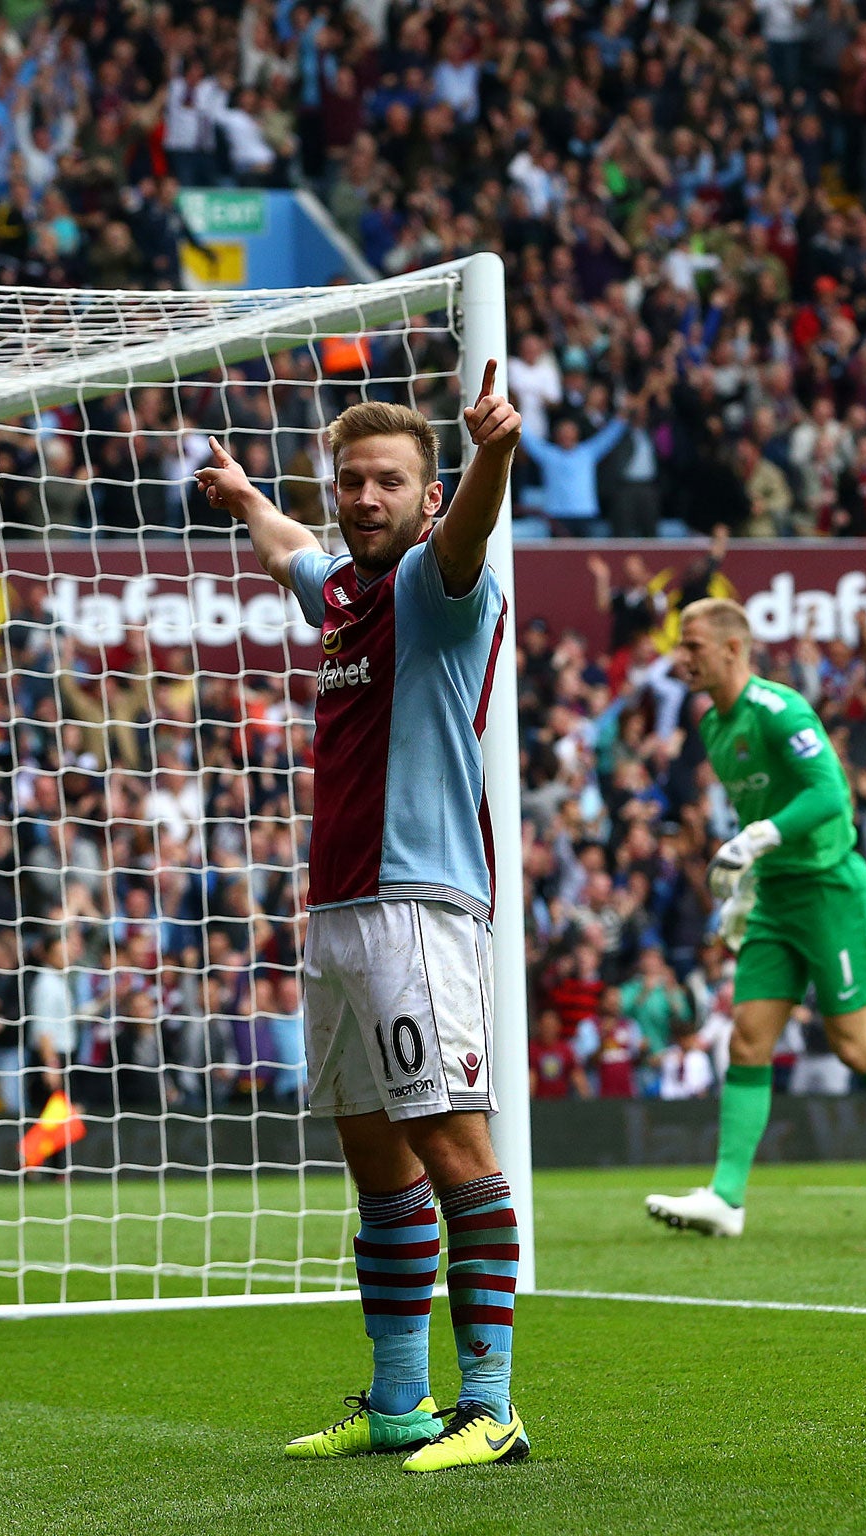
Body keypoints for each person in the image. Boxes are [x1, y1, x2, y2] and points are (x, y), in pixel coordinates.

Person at [196, 362, 529, 1470]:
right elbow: (291, 550)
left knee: (449, 1144)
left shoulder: (439, 587)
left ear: (426, 498)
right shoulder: (340, 588)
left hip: (417, 906)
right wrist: (246, 496)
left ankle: (491, 1406)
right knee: (372, 1158)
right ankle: (399, 1403)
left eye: (389, 481)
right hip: (338, 912)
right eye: (350, 482)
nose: (365, 497)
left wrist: (490, 452)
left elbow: (473, 533)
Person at [645, 598, 866, 1237]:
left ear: (732, 648)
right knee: (747, 1038)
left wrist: (757, 839)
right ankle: (727, 1199)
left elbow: (829, 794)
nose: (682, 657)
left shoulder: (778, 711)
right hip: (777, 898)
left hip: (831, 890)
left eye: (693, 645)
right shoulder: (714, 727)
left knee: (857, 1047)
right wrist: (750, 887)